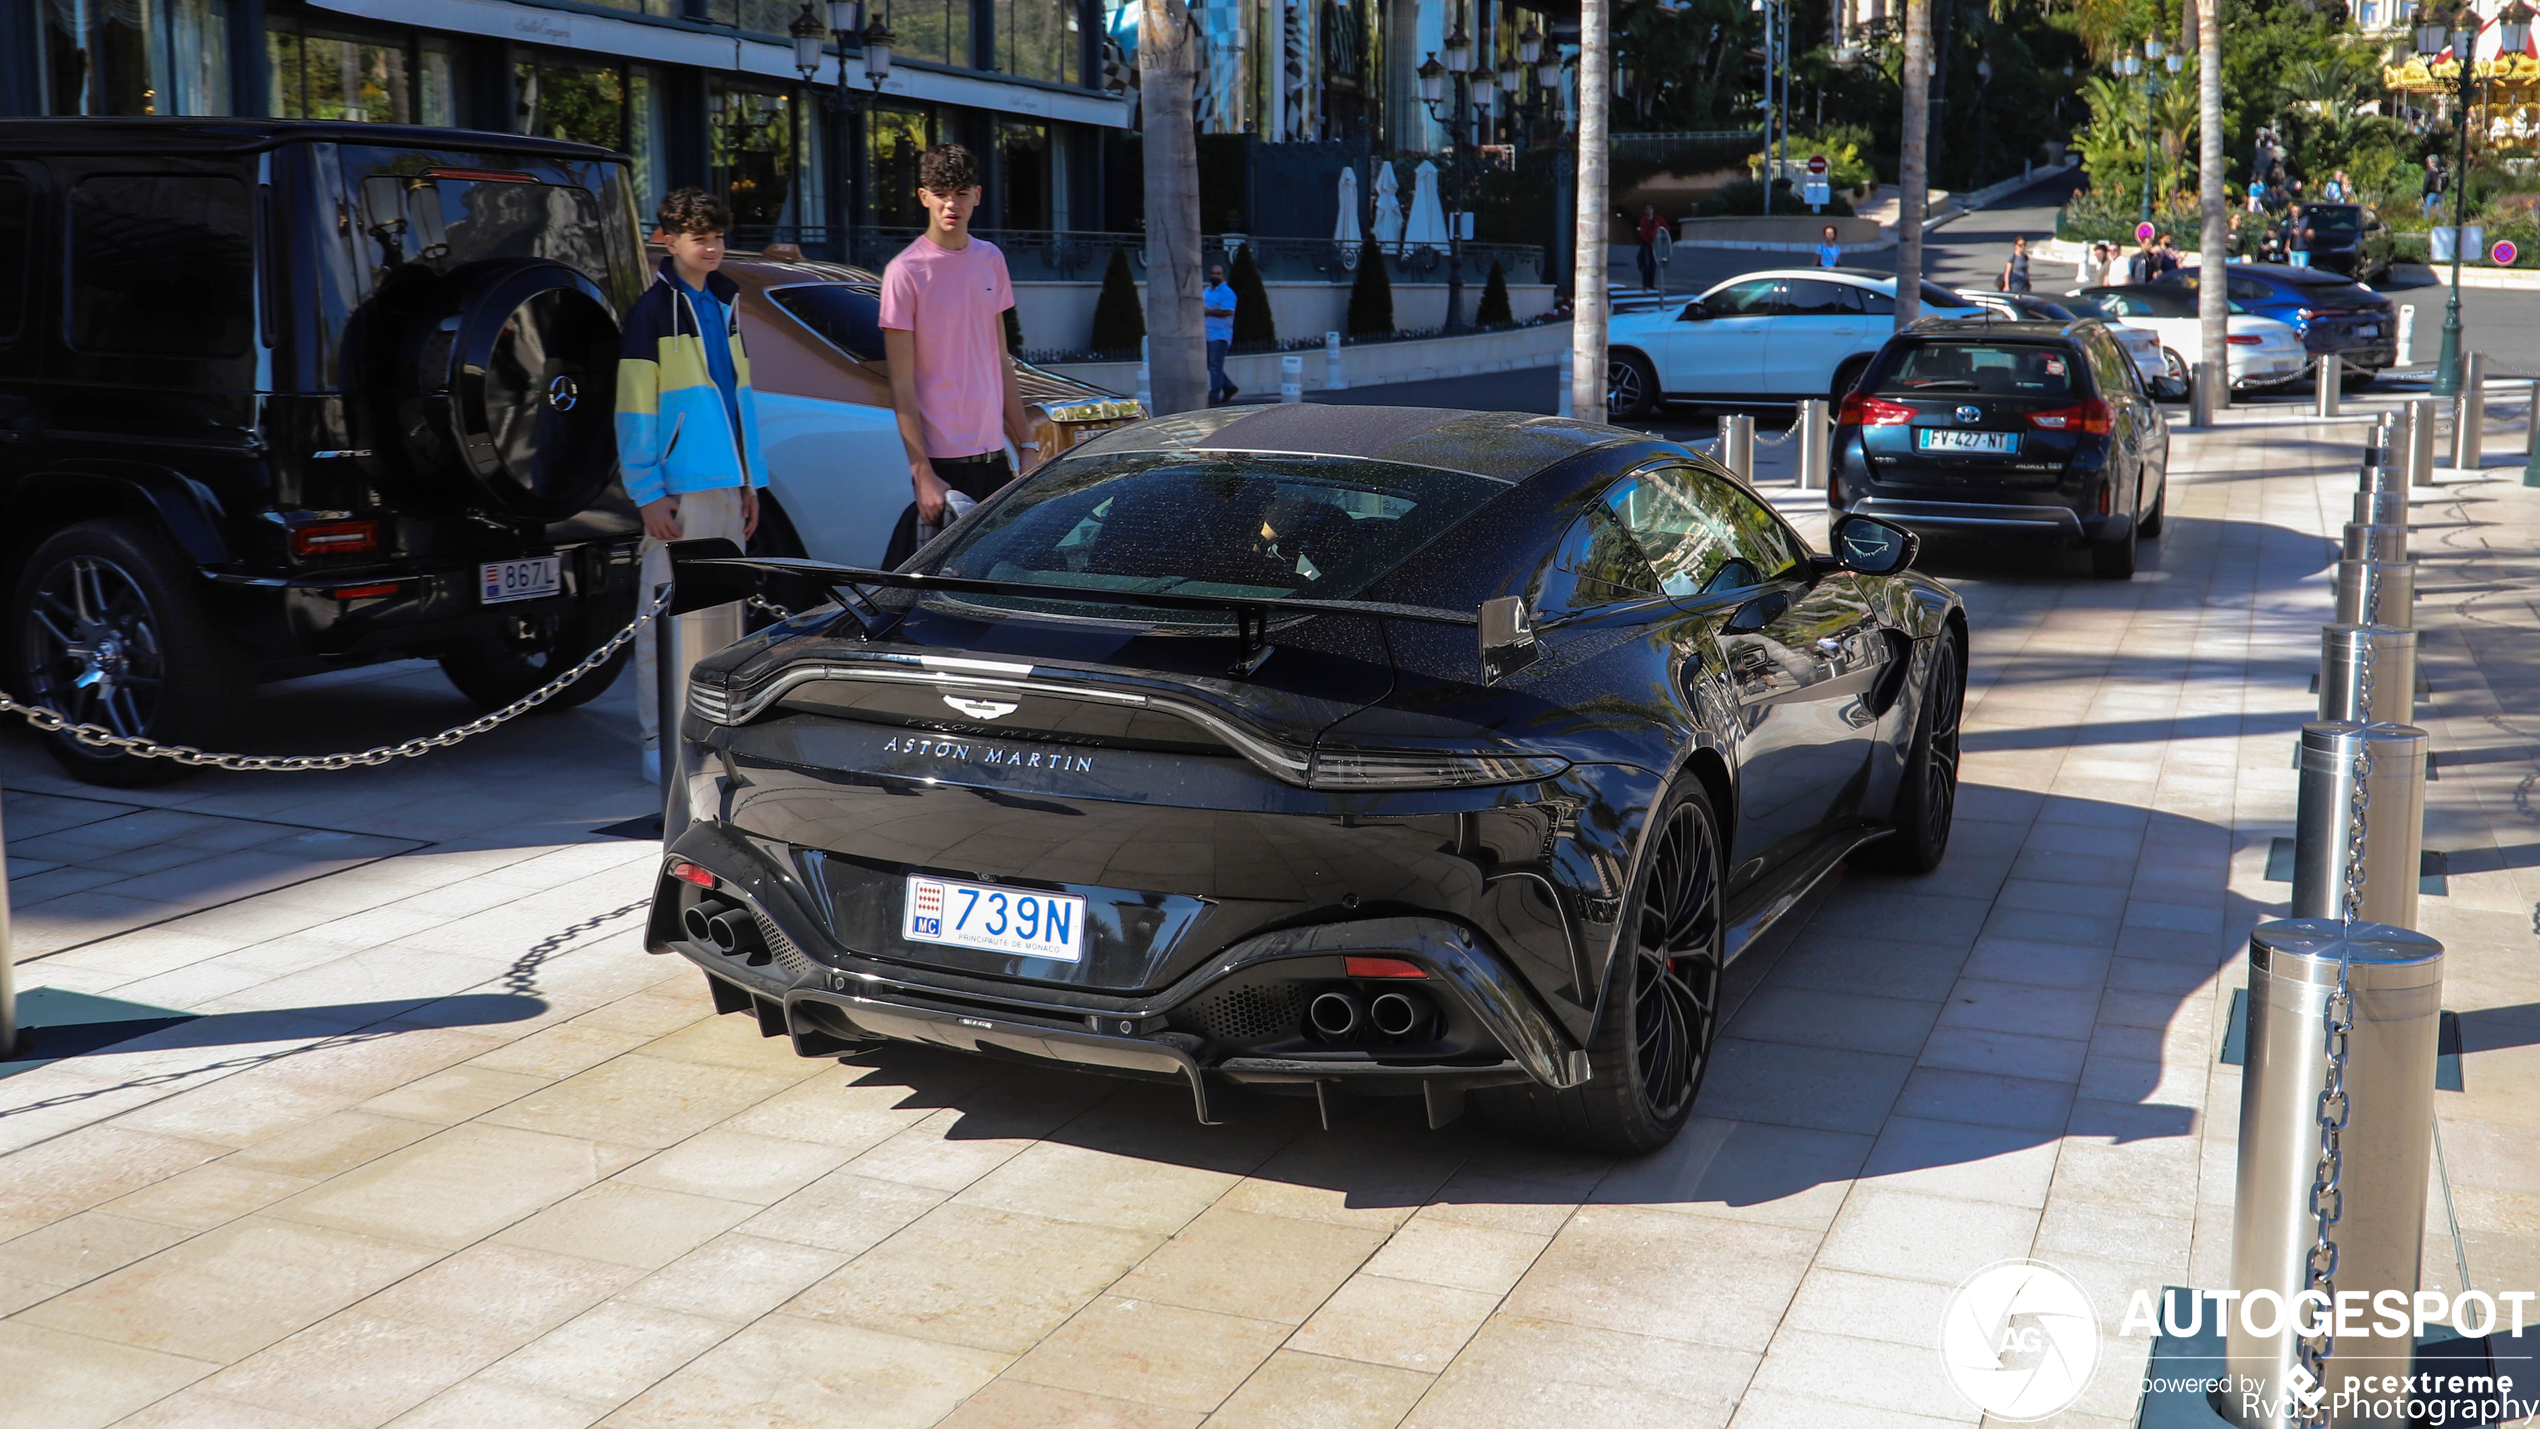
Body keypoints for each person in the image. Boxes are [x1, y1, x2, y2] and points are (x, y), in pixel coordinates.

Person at [617, 187, 765, 782]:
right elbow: (633, 409)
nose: (711, 246)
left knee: (726, 620)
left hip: (730, 488)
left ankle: (716, 736)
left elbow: (740, 401)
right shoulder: (651, 312)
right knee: (664, 623)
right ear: (668, 239)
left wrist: (753, 482)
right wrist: (648, 492)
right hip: (679, 493)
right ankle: (658, 742)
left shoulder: (728, 303)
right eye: (698, 236)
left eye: (718, 236)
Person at [876, 143, 1043, 570]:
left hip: (996, 459)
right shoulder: (905, 272)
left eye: (962, 192)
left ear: (978, 195)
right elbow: (901, 382)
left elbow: (1000, 358)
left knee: (1008, 583)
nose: (952, 203)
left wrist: (1024, 442)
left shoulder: (991, 259)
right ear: (924, 196)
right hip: (943, 468)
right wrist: (922, 473)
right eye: (941, 191)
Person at [1203, 262, 1239, 405]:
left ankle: (1215, 394)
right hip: (1206, 333)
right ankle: (1229, 387)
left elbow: (1228, 311)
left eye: (1218, 274)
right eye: (1213, 273)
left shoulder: (1227, 293)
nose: (1215, 276)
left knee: (1214, 365)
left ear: (1223, 276)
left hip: (1220, 335)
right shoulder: (1207, 291)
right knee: (1210, 364)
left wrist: (1209, 312)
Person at [1634, 204, 1663, 291]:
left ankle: (1651, 284)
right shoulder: (1643, 220)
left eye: (1650, 209)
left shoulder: (1658, 219)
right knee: (1647, 264)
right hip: (1647, 244)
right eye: (1647, 210)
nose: (1649, 211)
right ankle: (1645, 284)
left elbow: (1665, 228)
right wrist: (1649, 241)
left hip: (1656, 243)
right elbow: (1643, 233)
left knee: (1653, 264)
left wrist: (1661, 237)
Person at [2424, 154, 2448, 219]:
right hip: (2441, 193)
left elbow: (2427, 183)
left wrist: (2424, 194)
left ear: (2431, 162)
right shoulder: (2443, 170)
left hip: (2431, 193)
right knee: (2439, 210)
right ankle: (2443, 221)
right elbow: (2447, 181)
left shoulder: (2431, 171)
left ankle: (2425, 222)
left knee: (2427, 209)